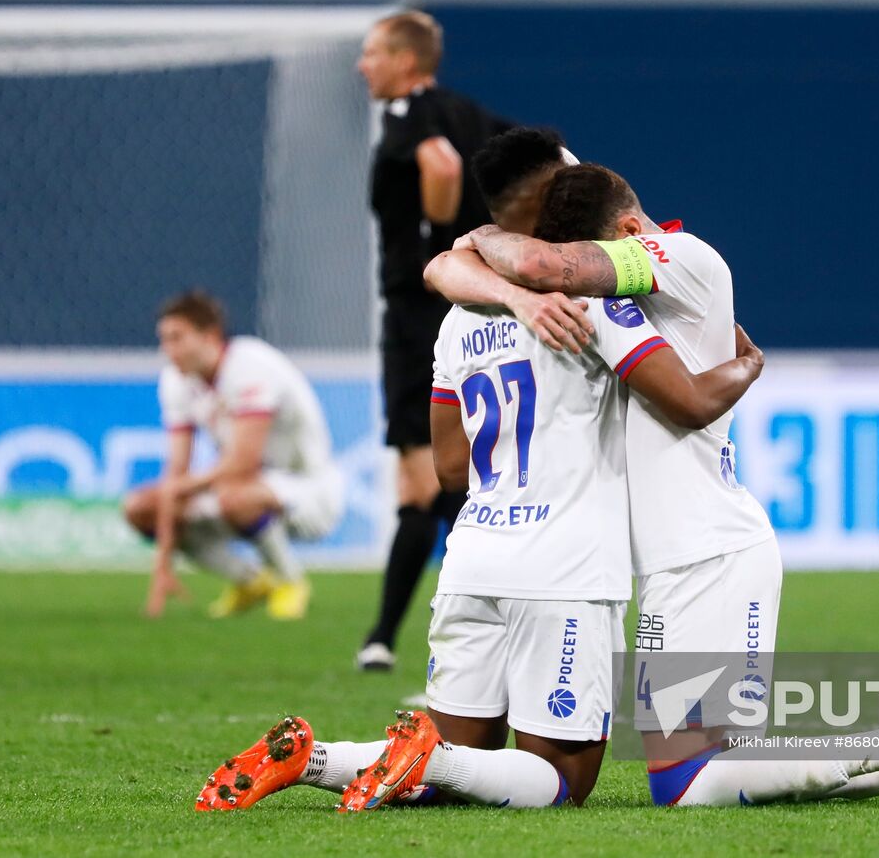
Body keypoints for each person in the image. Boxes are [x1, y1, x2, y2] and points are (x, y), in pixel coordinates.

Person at [427, 136, 879, 807]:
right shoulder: (633, 303)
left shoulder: (680, 255)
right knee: (707, 773)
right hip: (681, 561)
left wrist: (477, 236)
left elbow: (543, 264)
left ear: (626, 235)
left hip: (711, 552)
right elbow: (524, 265)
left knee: (690, 782)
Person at [195, 217, 771, 811]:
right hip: (564, 568)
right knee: (562, 782)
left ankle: (315, 758)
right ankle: (426, 754)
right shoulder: (591, 305)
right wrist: (746, 360)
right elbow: (685, 397)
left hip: (472, 557)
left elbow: (449, 468)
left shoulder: (457, 322)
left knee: (452, 776)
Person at [355, 9, 517, 671]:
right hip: (475, 312)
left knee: (419, 478)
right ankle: (491, 630)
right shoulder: (473, 112)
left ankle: (383, 638)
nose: (363, 64)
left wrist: (436, 232)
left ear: (406, 61)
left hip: (420, 310)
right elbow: (551, 162)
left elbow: (440, 163)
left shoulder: (408, 114)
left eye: (373, 53)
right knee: (459, 475)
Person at [124, 291, 342, 621]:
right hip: (242, 487)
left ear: (210, 336)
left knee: (235, 495)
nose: (168, 350)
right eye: (164, 340)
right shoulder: (175, 381)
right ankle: (252, 581)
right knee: (141, 508)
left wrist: (179, 489)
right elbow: (177, 472)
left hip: (307, 490)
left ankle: (291, 582)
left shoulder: (251, 365)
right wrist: (162, 566)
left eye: (177, 338)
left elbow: (243, 463)